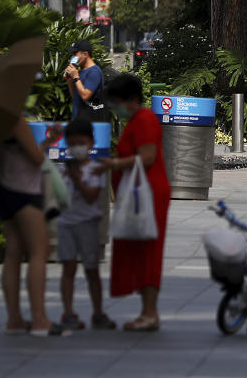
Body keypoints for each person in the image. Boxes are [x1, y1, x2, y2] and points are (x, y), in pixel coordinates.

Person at [94, 74, 171, 331]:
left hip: (148, 195)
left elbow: (147, 157)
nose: (115, 108)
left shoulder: (145, 119)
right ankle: (147, 311)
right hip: (140, 193)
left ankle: (150, 313)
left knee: (148, 251)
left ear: (132, 99)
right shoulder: (137, 120)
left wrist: (113, 164)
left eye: (117, 102)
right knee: (139, 250)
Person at [0, 118, 70, 337]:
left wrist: (48, 142)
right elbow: (36, 158)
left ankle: (14, 319)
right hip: (25, 191)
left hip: (4, 188)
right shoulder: (15, 120)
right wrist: (44, 147)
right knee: (39, 251)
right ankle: (39, 320)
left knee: (13, 253)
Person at [56, 119, 116, 331]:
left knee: (92, 270)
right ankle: (68, 312)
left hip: (88, 225)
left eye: (80, 143)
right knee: (68, 269)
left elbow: (92, 197)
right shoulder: (63, 170)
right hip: (66, 225)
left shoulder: (95, 169)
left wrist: (77, 180)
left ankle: (98, 312)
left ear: (90, 142)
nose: (76, 148)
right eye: (72, 144)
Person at [64, 39, 105, 121]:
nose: (73, 57)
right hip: (78, 119)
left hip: (89, 122)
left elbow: (85, 96)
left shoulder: (94, 72)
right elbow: (76, 97)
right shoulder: (81, 72)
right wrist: (69, 80)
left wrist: (76, 77)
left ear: (85, 54)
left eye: (75, 54)